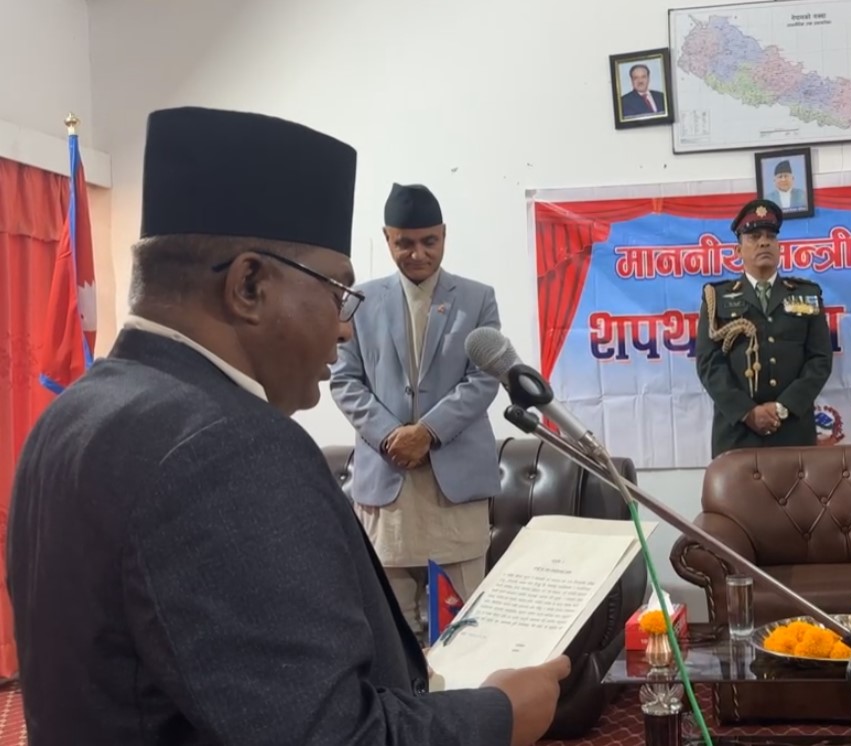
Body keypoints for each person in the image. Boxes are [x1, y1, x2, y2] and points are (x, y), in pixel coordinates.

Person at [5, 106, 567, 745]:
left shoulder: (71, 415)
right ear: (249, 285)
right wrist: (498, 716)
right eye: (336, 293)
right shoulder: (228, 450)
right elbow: (331, 736)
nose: (345, 328)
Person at [331, 183, 501, 640]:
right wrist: (392, 435)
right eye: (405, 243)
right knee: (392, 635)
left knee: (465, 633)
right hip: (387, 484)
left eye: (430, 241)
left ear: (444, 235)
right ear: (387, 238)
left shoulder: (477, 298)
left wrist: (427, 432)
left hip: (455, 487)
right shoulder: (357, 301)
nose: (418, 254)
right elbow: (344, 380)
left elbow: (485, 377)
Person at [695, 198, 833, 458]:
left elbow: (820, 359)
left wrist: (783, 407)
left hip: (793, 430)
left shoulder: (806, 294)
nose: (764, 242)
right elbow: (708, 363)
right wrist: (748, 412)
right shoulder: (716, 297)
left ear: (779, 247)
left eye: (771, 236)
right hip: (736, 433)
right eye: (754, 237)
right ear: (738, 250)